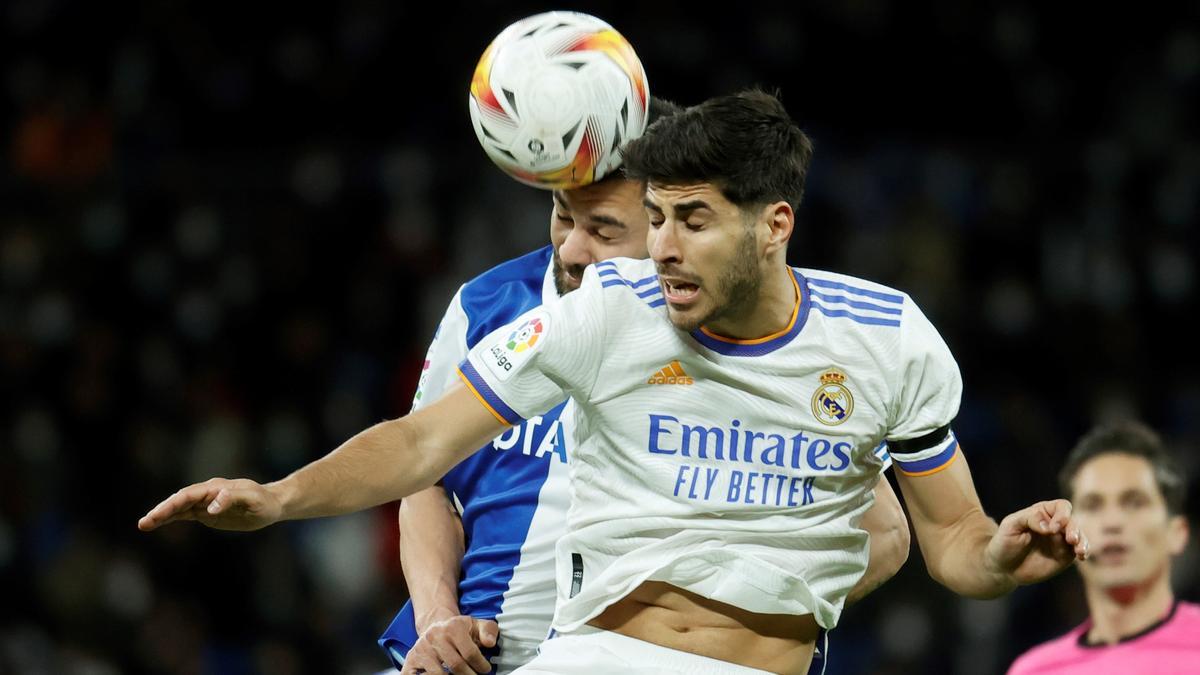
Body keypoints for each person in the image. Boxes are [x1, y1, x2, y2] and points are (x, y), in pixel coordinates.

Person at [138, 89, 1089, 675]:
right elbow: (422, 442)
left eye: (695, 221)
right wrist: (276, 497)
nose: (663, 249)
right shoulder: (606, 308)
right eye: (659, 217)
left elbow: (953, 544)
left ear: (776, 224)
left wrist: (1004, 553)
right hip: (590, 656)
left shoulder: (887, 340)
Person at [384, 96, 911, 675]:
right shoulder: (487, 305)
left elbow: (883, 530)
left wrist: (735, 629)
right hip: (472, 656)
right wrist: (436, 619)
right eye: (563, 215)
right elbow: (425, 479)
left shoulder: (744, 334)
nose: (572, 247)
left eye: (605, 230)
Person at [1007, 421, 1198, 674]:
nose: (1112, 523)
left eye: (1134, 502)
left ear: (1177, 533)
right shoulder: (1034, 670)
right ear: (1066, 533)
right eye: (1093, 505)